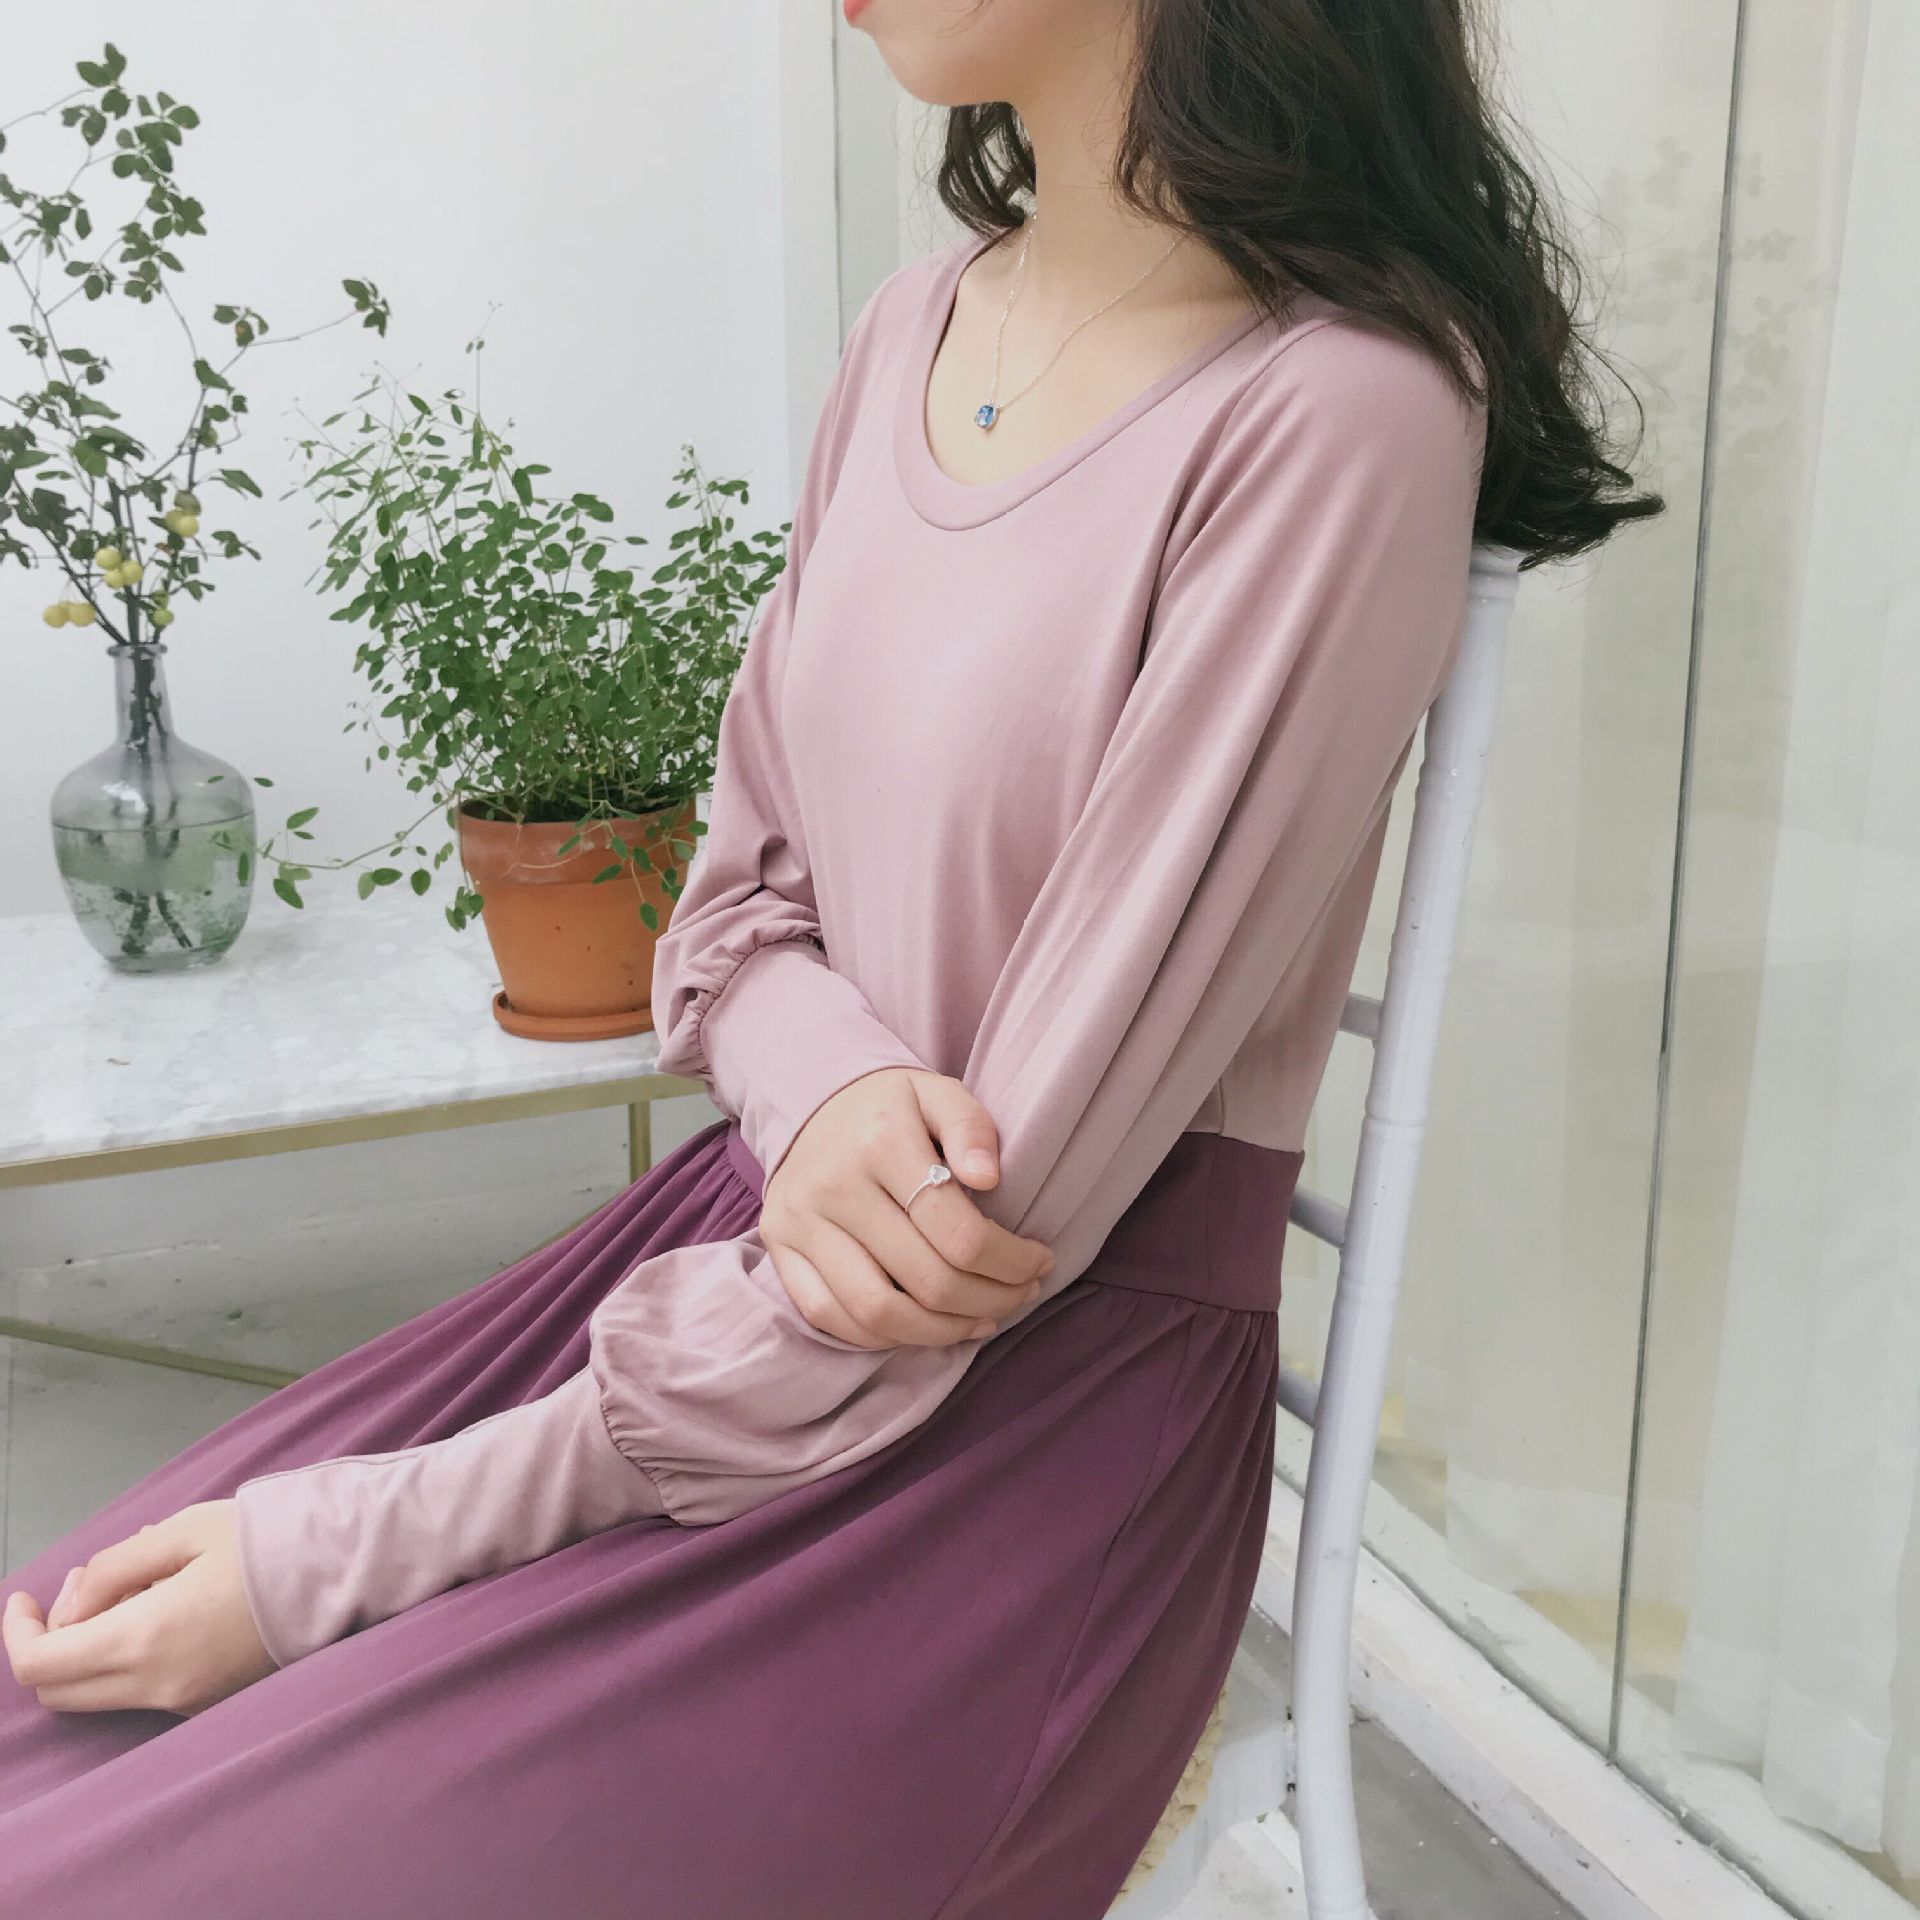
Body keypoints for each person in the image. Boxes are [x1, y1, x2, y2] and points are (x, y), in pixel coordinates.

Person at [0, 2, 1661, 1913]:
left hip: (1010, 1433)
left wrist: (348, 1551)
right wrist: (838, 1083)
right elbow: (726, 916)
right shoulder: (912, 333)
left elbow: (973, 1238)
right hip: (747, 1257)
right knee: (58, 1705)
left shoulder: (1342, 413)